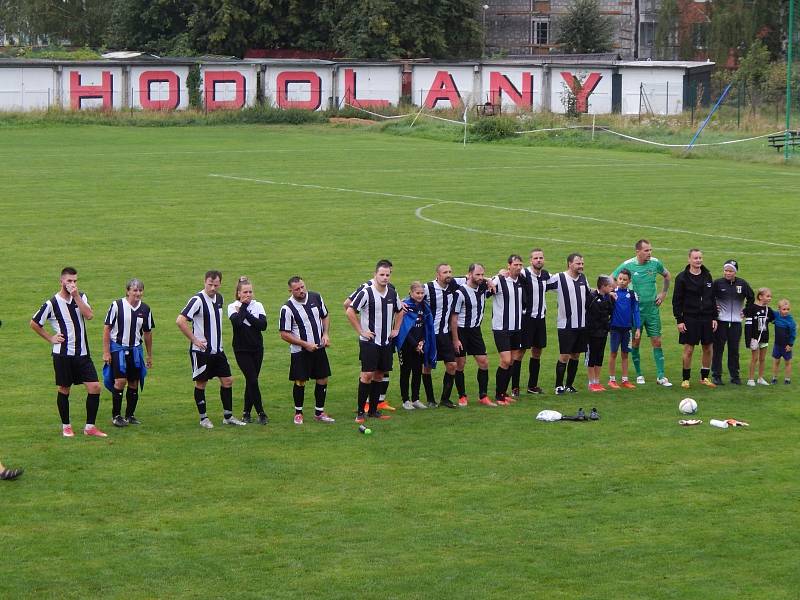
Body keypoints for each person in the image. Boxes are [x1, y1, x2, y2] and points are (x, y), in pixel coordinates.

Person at [30, 267, 107, 438]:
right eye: (69, 281)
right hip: (63, 355)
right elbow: (34, 323)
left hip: (82, 354)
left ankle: (90, 427)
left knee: (94, 387)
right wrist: (50, 338)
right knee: (64, 389)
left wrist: (77, 296)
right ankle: (66, 426)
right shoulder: (52, 303)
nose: (72, 284)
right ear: (61, 282)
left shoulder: (81, 297)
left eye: (75, 281)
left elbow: (89, 315)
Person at [176, 270, 244, 429]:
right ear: (204, 282)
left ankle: (228, 416)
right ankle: (203, 418)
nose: (213, 288)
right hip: (201, 352)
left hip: (218, 351)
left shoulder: (219, 298)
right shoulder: (197, 300)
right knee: (201, 383)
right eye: (210, 284)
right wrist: (195, 340)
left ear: (220, 284)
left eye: (216, 285)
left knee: (227, 381)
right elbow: (180, 321)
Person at [346, 262, 404, 422]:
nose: (385, 277)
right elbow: (350, 310)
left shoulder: (392, 293)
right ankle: (360, 412)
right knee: (367, 375)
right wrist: (361, 331)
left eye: (387, 275)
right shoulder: (366, 293)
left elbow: (401, 311)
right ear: (375, 275)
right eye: (382, 275)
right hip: (369, 342)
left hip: (386, 342)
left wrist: (396, 329)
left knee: (379, 375)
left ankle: (373, 411)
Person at [613, 239, 672, 387]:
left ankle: (661, 376)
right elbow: (612, 278)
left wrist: (663, 293)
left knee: (657, 341)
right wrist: (616, 296)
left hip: (652, 309)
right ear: (637, 251)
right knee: (635, 342)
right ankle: (639, 374)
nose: (649, 253)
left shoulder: (655, 263)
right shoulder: (628, 265)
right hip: (635, 312)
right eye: (646, 250)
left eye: (650, 250)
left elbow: (667, 275)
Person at [278, 277, 334, 424]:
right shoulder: (287, 308)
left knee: (322, 379)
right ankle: (298, 413)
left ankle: (319, 412)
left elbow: (325, 315)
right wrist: (305, 344)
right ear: (290, 290)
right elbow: (284, 334)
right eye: (297, 289)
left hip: (319, 348)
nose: (301, 290)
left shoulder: (316, 297)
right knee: (300, 380)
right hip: (300, 352)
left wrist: (325, 334)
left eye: (303, 287)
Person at [102, 278, 154, 427]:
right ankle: (116, 416)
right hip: (118, 349)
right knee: (120, 381)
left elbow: (148, 333)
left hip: (135, 350)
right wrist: (106, 352)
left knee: (134, 382)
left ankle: (130, 415)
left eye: (140, 290)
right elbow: (107, 328)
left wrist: (149, 355)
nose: (138, 293)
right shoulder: (117, 306)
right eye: (135, 290)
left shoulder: (145, 309)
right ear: (128, 291)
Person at [672, 249, 718, 389]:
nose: (698, 260)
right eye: (695, 258)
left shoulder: (707, 276)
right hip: (689, 318)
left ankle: (704, 377)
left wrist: (714, 317)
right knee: (689, 349)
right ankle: (685, 379)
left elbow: (712, 297)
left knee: (708, 348)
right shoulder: (682, 278)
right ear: (689, 259)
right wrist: (679, 320)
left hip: (706, 318)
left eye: (700, 258)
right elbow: (676, 301)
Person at [451, 263, 495, 406]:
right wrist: (456, 339)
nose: (480, 277)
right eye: (477, 274)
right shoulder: (460, 293)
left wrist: (489, 280)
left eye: (482, 274)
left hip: (475, 331)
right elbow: (454, 318)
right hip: (461, 331)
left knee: (484, 362)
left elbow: (499, 276)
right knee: (460, 364)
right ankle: (462, 396)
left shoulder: (482, 287)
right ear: (469, 275)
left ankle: (483, 396)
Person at [547, 253, 591, 394]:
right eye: (578, 263)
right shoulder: (559, 278)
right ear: (569, 264)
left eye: (582, 263)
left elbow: (589, 294)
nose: (581, 266)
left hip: (581, 324)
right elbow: (541, 284)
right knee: (564, 355)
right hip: (566, 325)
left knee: (576, 355)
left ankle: (569, 385)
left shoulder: (583, 278)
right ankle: (558, 385)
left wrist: (607, 292)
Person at [228, 276, 268, 425]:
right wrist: (243, 307)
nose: (248, 295)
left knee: (252, 381)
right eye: (245, 292)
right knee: (252, 379)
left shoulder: (258, 305)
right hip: (241, 349)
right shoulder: (232, 306)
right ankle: (261, 412)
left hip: (257, 348)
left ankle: (246, 413)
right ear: (238, 293)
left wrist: (245, 312)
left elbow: (262, 325)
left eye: (250, 292)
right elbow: (237, 324)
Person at [711, 259, 754, 385]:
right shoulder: (718, 283)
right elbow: (708, 297)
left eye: (730, 271)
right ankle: (716, 376)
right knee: (718, 349)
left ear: (735, 272)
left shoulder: (742, 284)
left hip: (736, 323)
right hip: (721, 323)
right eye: (726, 270)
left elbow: (751, 297)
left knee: (734, 350)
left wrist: (746, 311)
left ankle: (735, 376)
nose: (728, 273)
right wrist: (714, 308)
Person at [395, 282, 437, 410]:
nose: (420, 295)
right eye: (417, 293)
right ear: (411, 293)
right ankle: (405, 400)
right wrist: (414, 344)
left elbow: (426, 327)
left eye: (422, 293)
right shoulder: (405, 306)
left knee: (417, 371)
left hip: (419, 345)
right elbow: (403, 329)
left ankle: (415, 399)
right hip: (406, 345)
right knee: (405, 372)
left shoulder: (424, 307)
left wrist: (422, 342)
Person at [423, 263, 460, 409]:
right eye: (445, 272)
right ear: (437, 275)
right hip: (430, 335)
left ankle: (445, 398)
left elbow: (472, 277)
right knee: (427, 367)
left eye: (450, 271)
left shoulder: (454, 286)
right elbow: (413, 297)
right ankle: (431, 399)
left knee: (452, 365)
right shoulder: (427, 288)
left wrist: (492, 279)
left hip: (445, 335)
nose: (448, 274)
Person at [490, 255, 525, 405]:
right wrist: (496, 275)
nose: (518, 267)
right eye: (515, 264)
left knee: (512, 361)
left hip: (516, 327)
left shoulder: (522, 280)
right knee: (506, 360)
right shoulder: (499, 280)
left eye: (520, 265)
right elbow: (486, 292)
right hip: (501, 328)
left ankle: (503, 393)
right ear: (509, 265)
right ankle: (498, 395)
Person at [517, 248, 550, 395]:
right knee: (520, 352)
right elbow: (508, 275)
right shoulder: (524, 273)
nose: (538, 260)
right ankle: (515, 387)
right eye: (536, 258)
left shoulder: (545, 275)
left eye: (541, 258)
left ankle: (532, 386)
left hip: (540, 319)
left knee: (537, 352)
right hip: (526, 319)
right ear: (531, 261)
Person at [607, 269, 641, 389]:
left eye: (625, 280)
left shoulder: (632, 295)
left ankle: (625, 380)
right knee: (613, 352)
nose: (622, 281)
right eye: (620, 279)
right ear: (617, 280)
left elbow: (636, 311)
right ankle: (612, 379)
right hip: (615, 328)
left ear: (629, 281)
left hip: (627, 329)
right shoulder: (612, 293)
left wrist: (637, 328)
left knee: (625, 354)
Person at [585, 276, 615, 392]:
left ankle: (597, 381)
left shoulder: (609, 298)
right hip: (591, 333)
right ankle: (591, 382)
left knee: (599, 356)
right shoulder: (591, 297)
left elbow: (611, 313)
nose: (612, 288)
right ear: (603, 286)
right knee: (591, 357)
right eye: (609, 286)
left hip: (603, 332)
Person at [744, 287, 775, 386]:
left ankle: (760, 378)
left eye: (770, 296)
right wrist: (749, 339)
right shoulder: (752, 308)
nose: (770, 298)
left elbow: (774, 320)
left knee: (762, 358)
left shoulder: (768, 310)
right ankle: (751, 379)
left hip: (764, 337)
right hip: (754, 338)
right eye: (768, 296)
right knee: (754, 358)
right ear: (760, 296)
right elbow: (748, 325)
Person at [771, 298, 795, 385]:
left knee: (787, 362)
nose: (786, 311)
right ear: (779, 309)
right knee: (776, 361)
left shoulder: (790, 321)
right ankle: (774, 378)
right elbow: (769, 311)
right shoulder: (776, 315)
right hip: (777, 345)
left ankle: (787, 379)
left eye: (788, 309)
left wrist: (790, 345)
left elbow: (793, 334)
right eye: (784, 309)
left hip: (786, 346)